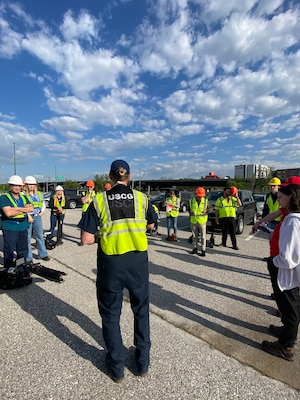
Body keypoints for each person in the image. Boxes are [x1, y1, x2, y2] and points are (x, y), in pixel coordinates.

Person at [79, 159, 157, 382]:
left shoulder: (99, 200)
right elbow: (151, 225)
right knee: (141, 310)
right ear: (129, 176)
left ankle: (117, 366)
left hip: (111, 263)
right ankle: (142, 363)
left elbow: (86, 239)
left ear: (111, 177)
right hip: (137, 262)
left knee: (111, 314)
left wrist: (106, 234)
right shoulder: (142, 198)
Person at [261, 182, 300, 361]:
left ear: (291, 197)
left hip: (286, 271)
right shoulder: (290, 216)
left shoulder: (293, 221)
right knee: (285, 305)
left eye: (281, 197)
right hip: (285, 269)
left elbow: (289, 256)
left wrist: (274, 261)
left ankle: (286, 346)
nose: (278, 200)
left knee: (290, 308)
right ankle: (286, 332)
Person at [0, 175, 34, 267]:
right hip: (10, 227)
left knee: (22, 250)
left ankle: (20, 267)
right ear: (10, 186)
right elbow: (8, 213)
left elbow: (31, 208)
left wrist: (15, 209)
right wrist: (24, 209)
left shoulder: (23, 197)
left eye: (19, 186)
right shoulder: (4, 198)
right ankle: (9, 269)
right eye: (15, 185)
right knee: (10, 249)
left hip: (22, 226)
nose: (17, 187)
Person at [24, 176, 50, 262]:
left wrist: (42, 211)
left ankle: (43, 254)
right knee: (27, 238)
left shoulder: (39, 194)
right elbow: (22, 207)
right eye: (30, 184)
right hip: (28, 217)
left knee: (40, 236)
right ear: (26, 185)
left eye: (33, 184)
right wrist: (28, 215)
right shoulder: (23, 195)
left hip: (37, 216)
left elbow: (42, 203)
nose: (31, 186)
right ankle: (28, 257)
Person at [189, 187, 208, 256]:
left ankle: (203, 250)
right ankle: (195, 248)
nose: (200, 197)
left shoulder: (206, 201)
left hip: (202, 221)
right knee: (194, 236)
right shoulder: (191, 201)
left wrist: (207, 211)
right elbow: (189, 209)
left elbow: (211, 209)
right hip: (193, 221)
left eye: (201, 196)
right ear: (196, 194)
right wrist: (190, 212)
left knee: (203, 236)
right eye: (199, 196)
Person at [78, 180, 96, 246]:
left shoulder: (96, 194)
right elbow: (83, 201)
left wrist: (89, 201)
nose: (89, 188)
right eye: (88, 187)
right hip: (85, 211)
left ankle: (91, 239)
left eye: (90, 187)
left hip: (92, 212)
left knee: (92, 225)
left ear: (93, 187)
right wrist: (89, 195)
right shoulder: (84, 193)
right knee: (83, 227)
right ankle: (82, 240)